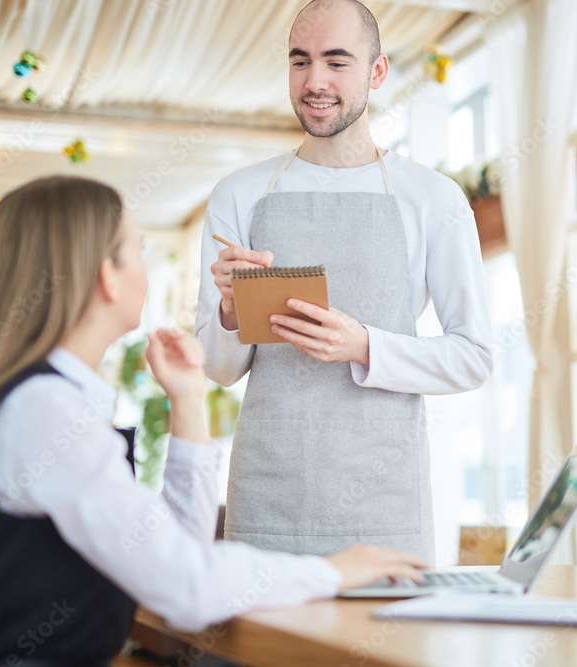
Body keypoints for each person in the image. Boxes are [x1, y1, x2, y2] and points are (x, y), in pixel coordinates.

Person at [0, 176, 426, 665]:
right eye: (139, 251)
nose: (145, 270)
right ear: (107, 275)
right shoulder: (44, 411)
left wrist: (187, 400)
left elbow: (177, 554)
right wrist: (333, 572)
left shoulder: (39, 401)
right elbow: (187, 588)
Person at [195, 0, 493, 564]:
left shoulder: (433, 198)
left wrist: (364, 345)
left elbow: (474, 356)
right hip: (268, 497)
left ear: (377, 72)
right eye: (300, 62)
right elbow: (219, 369)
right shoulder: (237, 194)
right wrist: (230, 313)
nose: (315, 82)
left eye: (337, 62)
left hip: (384, 504)